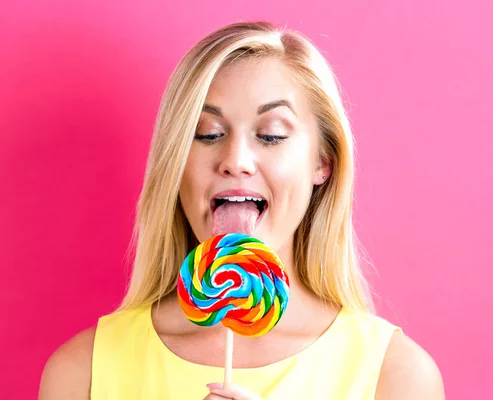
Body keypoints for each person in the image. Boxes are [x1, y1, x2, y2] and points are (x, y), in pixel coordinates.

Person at [39, 21, 445, 400]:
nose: (236, 160)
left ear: (323, 163)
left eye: (271, 135)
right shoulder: (82, 373)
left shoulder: (395, 376)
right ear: (174, 161)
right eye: (207, 134)